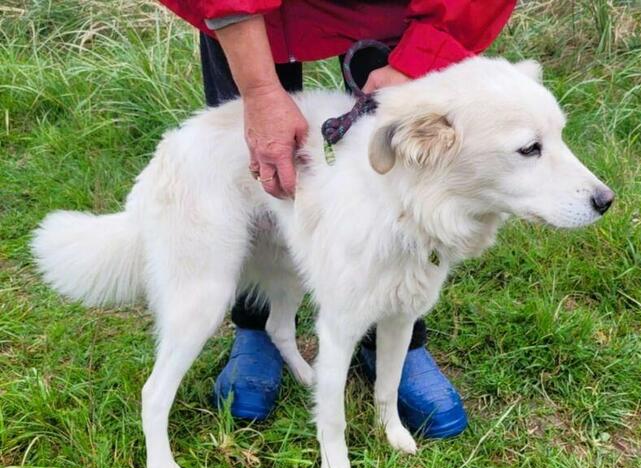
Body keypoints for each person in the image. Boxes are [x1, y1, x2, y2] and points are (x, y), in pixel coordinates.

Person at [156, 0, 516, 437]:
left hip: (396, 12)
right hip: (246, 12)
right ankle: (257, 326)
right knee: (252, 159)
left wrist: (420, 56)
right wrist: (259, 91)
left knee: (400, 169)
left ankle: (396, 330)